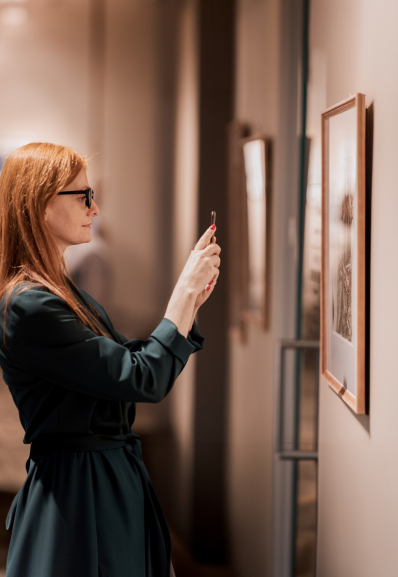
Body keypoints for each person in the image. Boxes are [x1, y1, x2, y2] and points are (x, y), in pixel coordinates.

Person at [0, 142, 221, 577]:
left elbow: (129, 362)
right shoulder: (31, 305)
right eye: (83, 196)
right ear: (39, 203)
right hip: (79, 495)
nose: (95, 209)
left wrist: (188, 306)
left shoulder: (58, 291)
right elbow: (142, 379)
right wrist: (182, 297)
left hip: (99, 482)